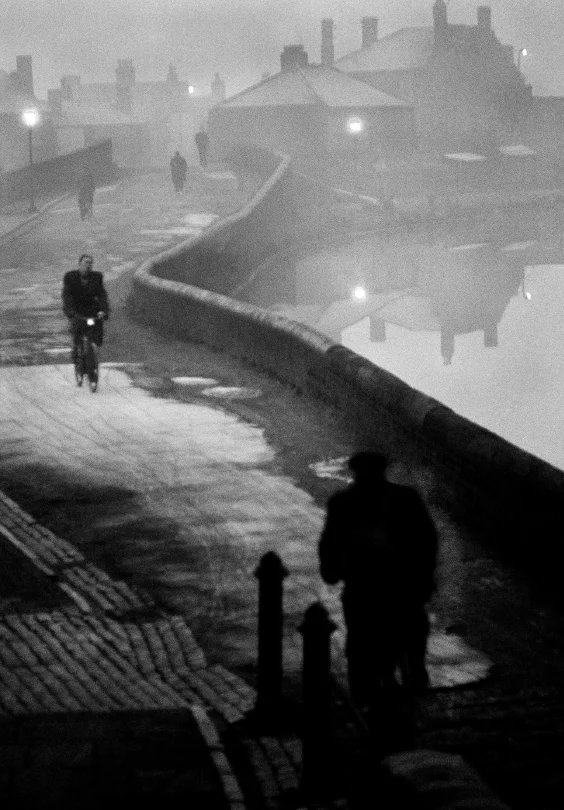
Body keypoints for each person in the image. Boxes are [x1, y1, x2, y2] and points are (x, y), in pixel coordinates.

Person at [318, 451, 438, 710]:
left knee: (361, 640)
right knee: (409, 633)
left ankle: (368, 698)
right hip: (402, 584)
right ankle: (411, 678)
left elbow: (330, 542)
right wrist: (425, 577)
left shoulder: (343, 502)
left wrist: (331, 570)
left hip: (363, 586)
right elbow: (427, 540)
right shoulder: (406, 498)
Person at [62, 254, 110, 370]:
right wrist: (70, 311)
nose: (88, 265)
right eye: (86, 263)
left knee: (95, 331)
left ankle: (93, 354)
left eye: (90, 263)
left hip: (91, 310)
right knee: (77, 330)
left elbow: (102, 295)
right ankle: (76, 351)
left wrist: (104, 310)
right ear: (80, 264)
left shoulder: (97, 277)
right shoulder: (70, 277)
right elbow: (67, 296)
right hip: (76, 310)